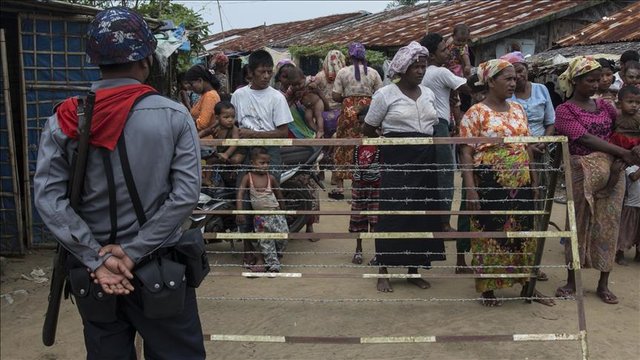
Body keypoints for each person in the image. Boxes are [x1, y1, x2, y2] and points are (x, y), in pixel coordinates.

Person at [33, 7, 205, 359]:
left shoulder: (64, 119)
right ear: (145, 59)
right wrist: (133, 251)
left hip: (95, 277)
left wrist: (97, 260)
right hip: (162, 271)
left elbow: (49, 200)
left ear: (95, 60)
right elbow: (185, 195)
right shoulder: (174, 115)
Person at [459, 59, 554, 307]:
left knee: (524, 234)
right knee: (490, 233)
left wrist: (534, 181)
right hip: (489, 183)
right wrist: (471, 190)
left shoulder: (518, 110)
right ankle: (488, 290)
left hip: (520, 181)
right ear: (491, 82)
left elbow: (527, 147)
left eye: (515, 79)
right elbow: (466, 152)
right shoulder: (475, 113)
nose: (514, 83)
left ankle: (527, 286)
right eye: (507, 79)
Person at [554, 56, 640, 305]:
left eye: (598, 79)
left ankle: (604, 283)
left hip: (614, 169)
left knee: (609, 223)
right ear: (575, 81)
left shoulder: (605, 107)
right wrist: (622, 153)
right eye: (589, 80)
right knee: (578, 224)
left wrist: (629, 150)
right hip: (581, 171)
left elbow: (622, 129)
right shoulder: (565, 110)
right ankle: (572, 280)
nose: (595, 84)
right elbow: (584, 139)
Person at [362, 41, 443, 293]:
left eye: (423, 66)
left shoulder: (428, 93)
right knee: (394, 213)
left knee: (421, 211)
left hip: (426, 157)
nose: (420, 71)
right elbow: (368, 128)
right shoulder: (385, 94)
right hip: (397, 157)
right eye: (415, 66)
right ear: (403, 68)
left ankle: (414, 269)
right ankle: (384, 270)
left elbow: (435, 123)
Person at [231, 49, 293, 266]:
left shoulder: (277, 97)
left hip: (269, 152)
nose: (266, 76)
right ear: (250, 72)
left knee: (267, 200)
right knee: (245, 199)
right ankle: (248, 248)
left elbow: (283, 132)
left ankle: (268, 249)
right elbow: (234, 126)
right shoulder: (239, 95)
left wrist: (254, 134)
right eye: (262, 72)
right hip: (246, 151)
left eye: (269, 72)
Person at [419, 32, 468, 270]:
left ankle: (430, 221)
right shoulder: (440, 72)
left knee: (428, 175)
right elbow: (468, 86)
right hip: (439, 125)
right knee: (446, 175)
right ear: (432, 54)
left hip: (422, 126)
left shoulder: (420, 73)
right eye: (443, 49)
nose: (448, 52)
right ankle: (444, 224)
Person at [331, 42, 383, 200]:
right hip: (367, 112)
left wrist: (347, 98)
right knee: (364, 145)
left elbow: (335, 95)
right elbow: (381, 93)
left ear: (349, 56)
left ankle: (340, 187)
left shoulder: (343, 72)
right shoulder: (373, 73)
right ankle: (358, 184)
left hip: (347, 112)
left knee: (343, 145)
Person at [236, 147, 289, 272]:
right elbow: (240, 193)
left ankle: (275, 256)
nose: (265, 166)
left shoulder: (271, 178)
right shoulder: (248, 177)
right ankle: (272, 264)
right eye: (262, 163)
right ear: (252, 163)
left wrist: (284, 210)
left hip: (276, 214)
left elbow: (279, 195)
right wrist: (240, 211)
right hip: (260, 218)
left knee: (283, 238)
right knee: (265, 241)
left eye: (268, 163)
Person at [350, 106, 380, 265]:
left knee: (375, 220)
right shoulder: (358, 142)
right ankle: (358, 250)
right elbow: (354, 163)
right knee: (358, 219)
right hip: (359, 185)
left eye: (366, 123)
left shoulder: (381, 142)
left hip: (376, 186)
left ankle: (378, 253)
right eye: (361, 123)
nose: (363, 127)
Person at [184, 64, 222, 135]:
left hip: (205, 141)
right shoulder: (205, 95)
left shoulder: (210, 96)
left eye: (192, 84)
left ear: (200, 80)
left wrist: (185, 119)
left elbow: (202, 124)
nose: (192, 89)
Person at [615, 165, 640, 265]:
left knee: (638, 232)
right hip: (631, 204)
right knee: (626, 231)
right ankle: (619, 255)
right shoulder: (630, 168)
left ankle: (638, 255)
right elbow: (634, 177)